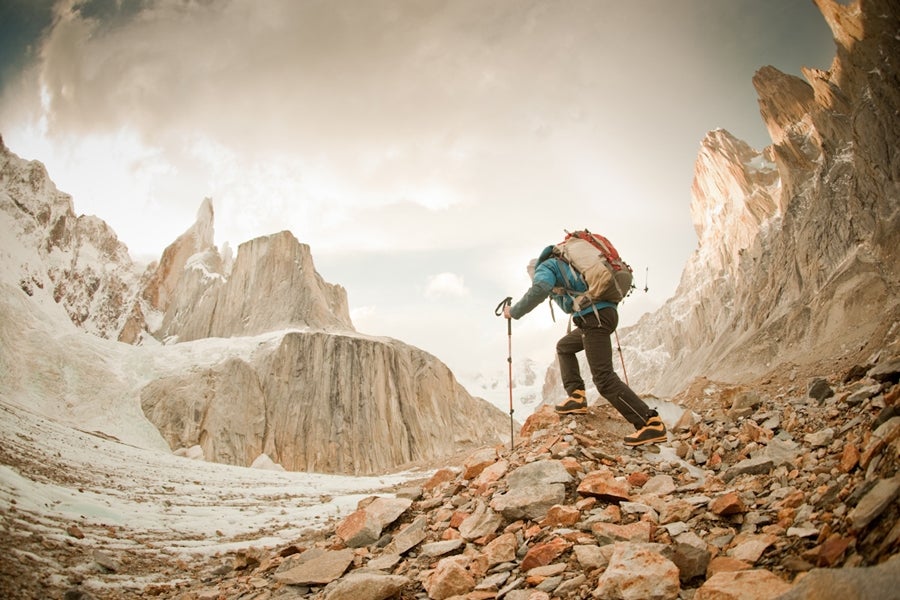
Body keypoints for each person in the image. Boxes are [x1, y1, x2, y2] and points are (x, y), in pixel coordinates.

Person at [503, 244, 667, 447]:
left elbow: (540, 288)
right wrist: (557, 294)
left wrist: (514, 312)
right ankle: (577, 396)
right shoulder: (567, 268)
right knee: (564, 346)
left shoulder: (546, 268)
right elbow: (568, 307)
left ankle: (649, 422)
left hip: (594, 319)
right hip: (601, 315)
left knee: (603, 378)